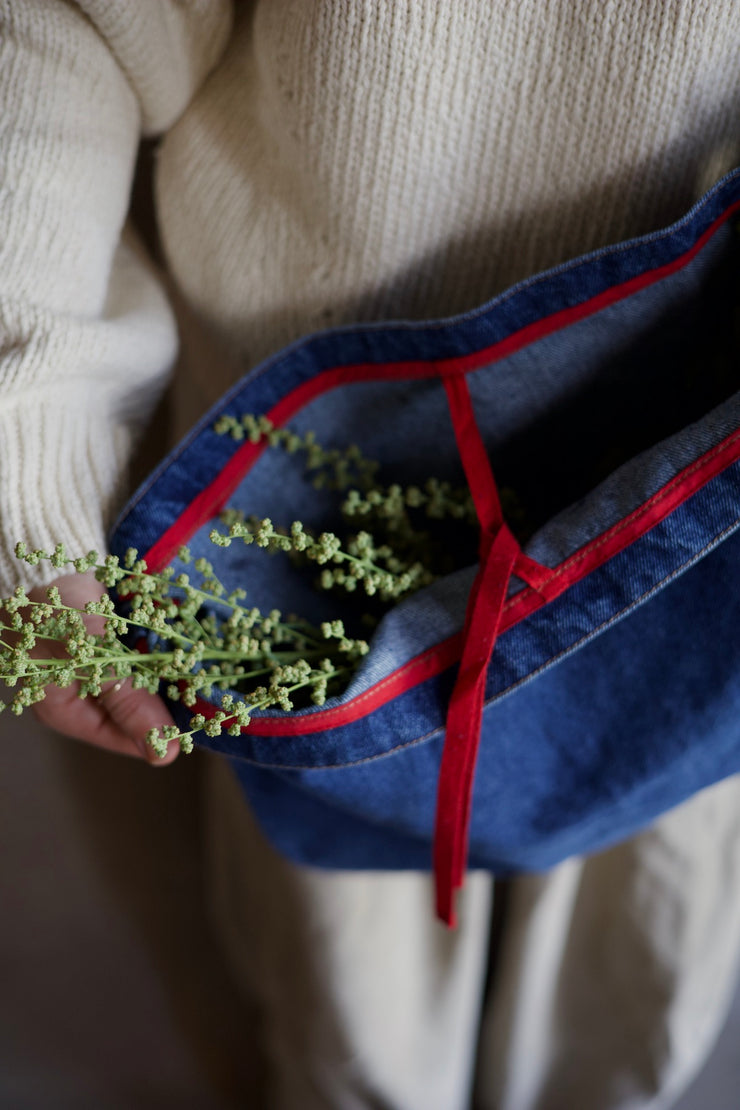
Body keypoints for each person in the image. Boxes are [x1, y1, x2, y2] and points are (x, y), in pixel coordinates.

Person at [3, 2, 740, 1106]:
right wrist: (31, 462)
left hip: (693, 561)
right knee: (344, 1013)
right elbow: (64, 24)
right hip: (291, 542)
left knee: (623, 983)